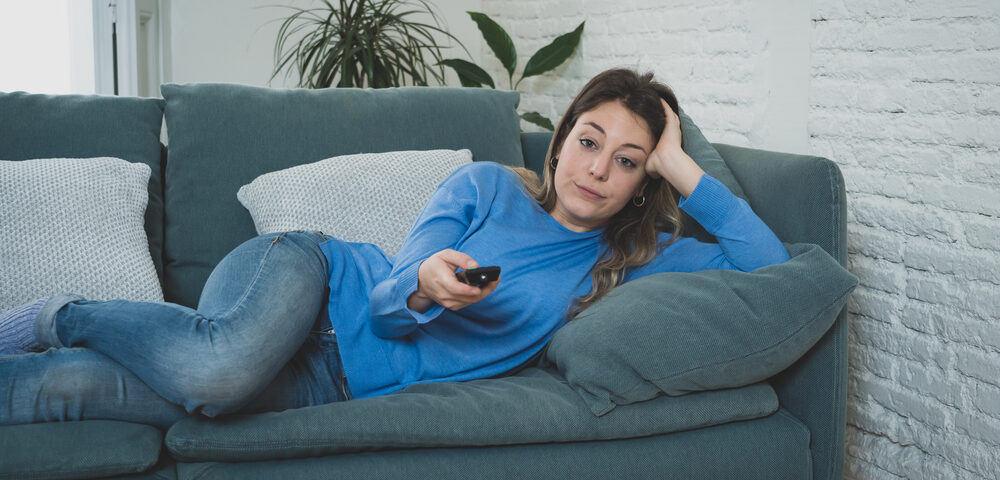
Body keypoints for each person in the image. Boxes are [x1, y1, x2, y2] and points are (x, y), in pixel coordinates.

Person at [0, 68, 790, 429]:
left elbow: (772, 269)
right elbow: (387, 301)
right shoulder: (486, 186)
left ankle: (43, 351)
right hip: (310, 278)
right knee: (217, 371)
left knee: (70, 390)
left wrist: (679, 163)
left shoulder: (636, 259)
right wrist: (424, 284)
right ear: (559, 143)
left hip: (332, 381)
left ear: (644, 181)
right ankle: (60, 312)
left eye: (628, 161)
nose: (598, 169)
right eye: (589, 141)